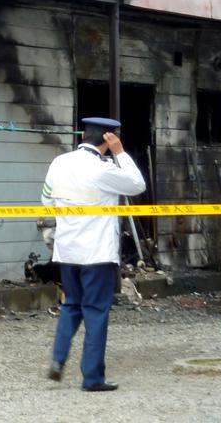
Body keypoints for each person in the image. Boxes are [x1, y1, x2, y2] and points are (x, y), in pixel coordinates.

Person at [41, 116, 146, 392]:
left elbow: (46, 199)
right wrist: (120, 152)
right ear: (108, 139)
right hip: (97, 253)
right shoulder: (104, 170)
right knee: (96, 312)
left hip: (66, 250)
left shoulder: (59, 163)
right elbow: (137, 184)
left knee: (71, 306)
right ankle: (92, 378)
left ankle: (58, 360)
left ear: (84, 135)